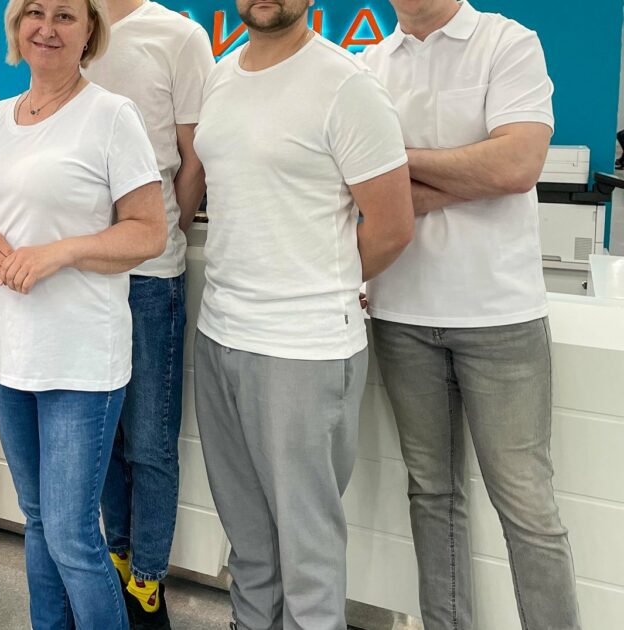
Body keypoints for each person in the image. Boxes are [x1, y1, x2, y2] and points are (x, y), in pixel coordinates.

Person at [192, 0, 415, 628]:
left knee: (307, 548)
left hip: (303, 348)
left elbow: (393, 226)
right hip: (220, 333)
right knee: (248, 537)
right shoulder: (221, 76)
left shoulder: (345, 86)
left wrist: (323, 284)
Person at [360, 1, 581, 628]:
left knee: (526, 505)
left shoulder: (507, 43)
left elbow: (517, 165)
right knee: (431, 494)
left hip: (499, 315)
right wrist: (467, 168)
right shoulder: (370, 64)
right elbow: (359, 184)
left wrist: (397, 163)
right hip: (400, 311)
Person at [0, 0, 166, 627]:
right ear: (16, 26)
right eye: (34, 12)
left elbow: (148, 232)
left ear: (90, 30)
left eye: (66, 16)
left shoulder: (110, 116)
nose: (47, 28)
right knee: (39, 520)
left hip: (80, 359)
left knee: (73, 534)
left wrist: (64, 251)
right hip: (11, 355)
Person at [82, 1, 212, 626]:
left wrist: (159, 232)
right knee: (102, 436)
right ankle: (115, 558)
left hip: (150, 278)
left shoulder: (178, 36)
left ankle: (148, 581)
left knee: (151, 441)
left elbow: (194, 156)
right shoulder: (71, 25)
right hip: (82, 274)